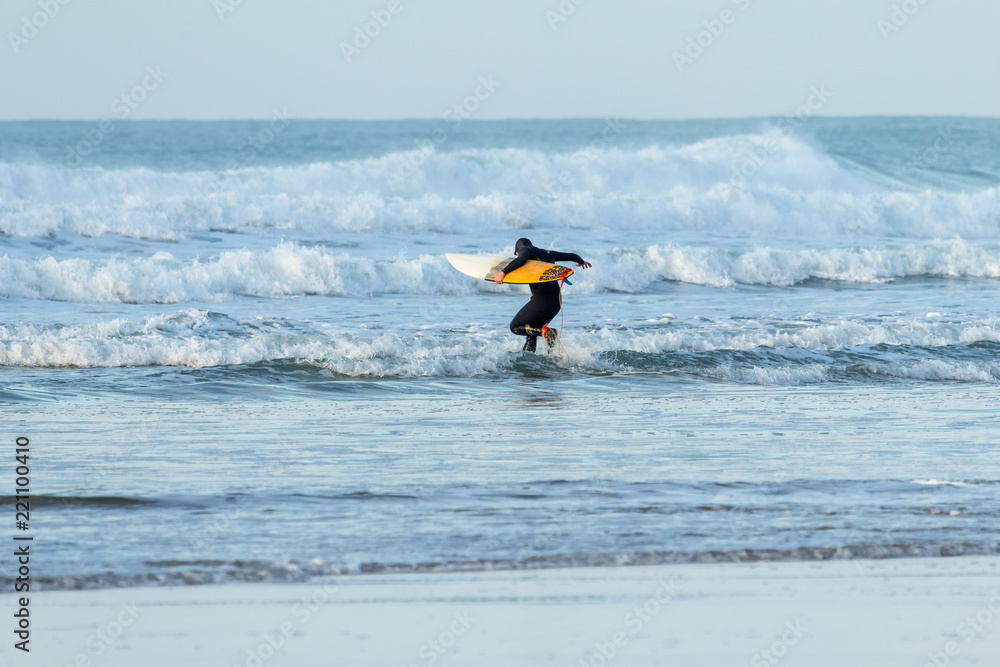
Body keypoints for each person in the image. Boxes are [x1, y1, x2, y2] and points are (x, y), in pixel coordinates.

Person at [493, 238, 592, 352]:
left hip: (542, 301)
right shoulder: (547, 253)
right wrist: (581, 261)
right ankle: (546, 361)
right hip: (556, 302)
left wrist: (503, 272)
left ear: (517, 252)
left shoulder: (525, 250)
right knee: (531, 331)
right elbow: (571, 256)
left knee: (515, 327)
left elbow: (522, 259)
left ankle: (546, 333)